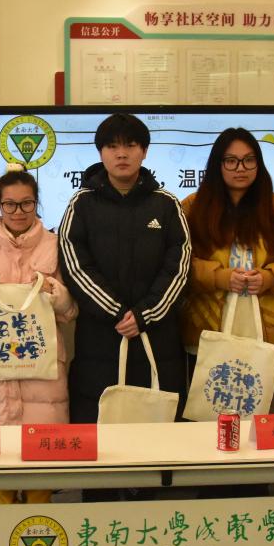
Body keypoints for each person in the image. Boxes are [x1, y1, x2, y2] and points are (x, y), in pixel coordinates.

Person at [59, 112, 190, 500]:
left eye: (130, 145)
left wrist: (145, 314)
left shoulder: (167, 205)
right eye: (112, 146)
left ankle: (150, 508)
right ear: (101, 152)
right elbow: (74, 263)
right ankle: (100, 506)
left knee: (152, 437)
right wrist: (117, 313)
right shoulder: (81, 204)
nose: (122, 153)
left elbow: (180, 266)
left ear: (144, 152)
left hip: (156, 339)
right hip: (101, 339)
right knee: (100, 434)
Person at [0, 168, 77, 504]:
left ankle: (39, 516)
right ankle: (1, 519)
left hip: (43, 371)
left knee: (41, 460)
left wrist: (55, 292)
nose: (18, 212)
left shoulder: (55, 244)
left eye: (26, 203)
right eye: (10, 204)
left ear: (36, 204)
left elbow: (70, 311)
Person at [181, 127, 274, 406]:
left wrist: (269, 277)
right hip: (207, 329)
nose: (241, 168)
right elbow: (178, 264)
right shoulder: (193, 207)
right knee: (209, 414)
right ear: (218, 164)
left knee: (261, 413)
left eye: (249, 160)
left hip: (264, 329)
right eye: (231, 160)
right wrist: (219, 277)